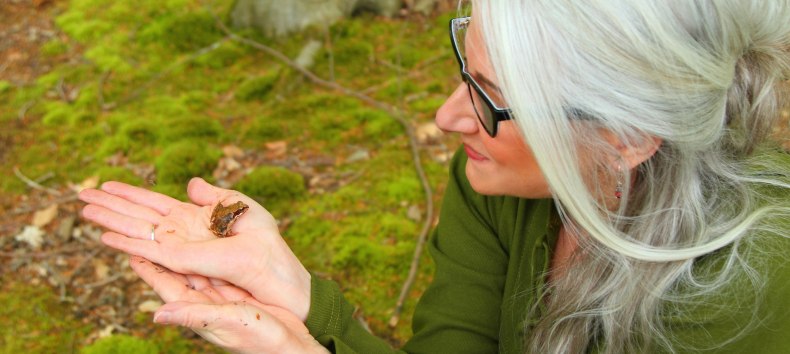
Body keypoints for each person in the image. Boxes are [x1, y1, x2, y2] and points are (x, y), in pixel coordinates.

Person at [79, 0, 790, 353]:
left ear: (626, 137)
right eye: (464, 69)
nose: (449, 118)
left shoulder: (747, 294)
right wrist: (299, 298)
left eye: (489, 96)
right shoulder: (498, 183)